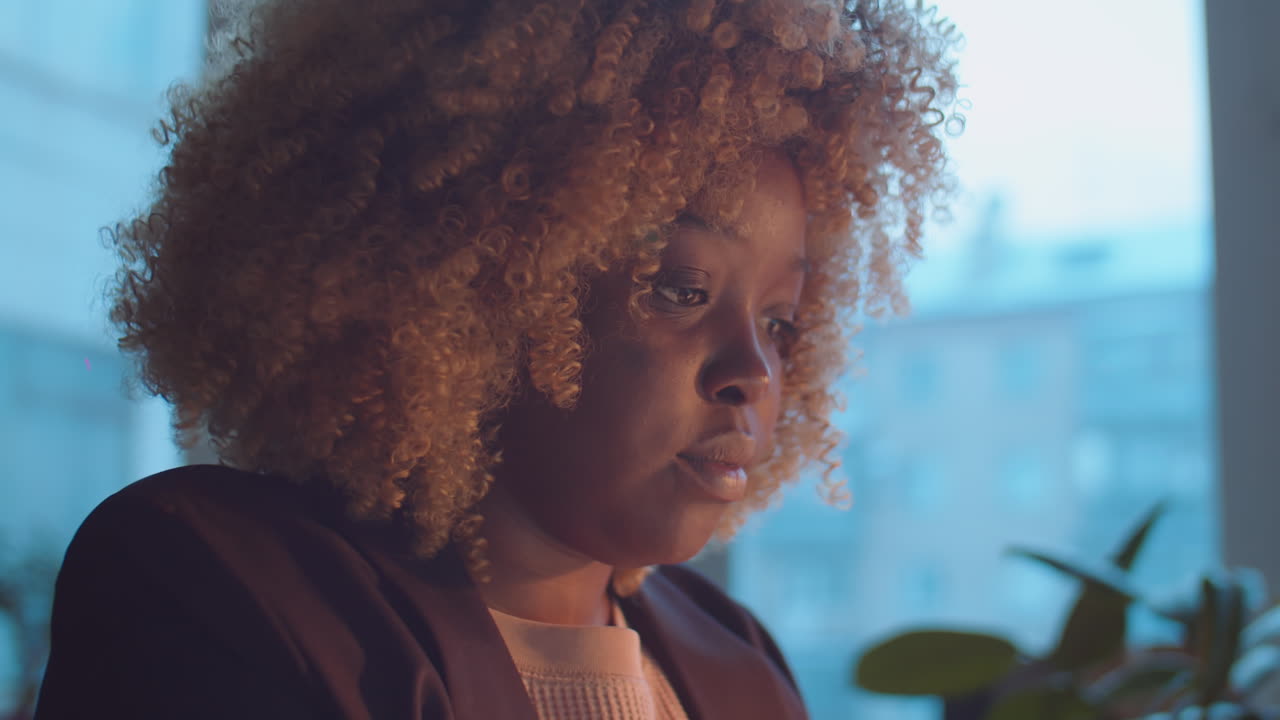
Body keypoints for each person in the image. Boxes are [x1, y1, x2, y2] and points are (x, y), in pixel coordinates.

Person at [34, 0, 960, 717]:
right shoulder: (217, 587)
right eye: (680, 289)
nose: (753, 373)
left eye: (783, 321)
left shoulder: (740, 664)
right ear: (475, 286)